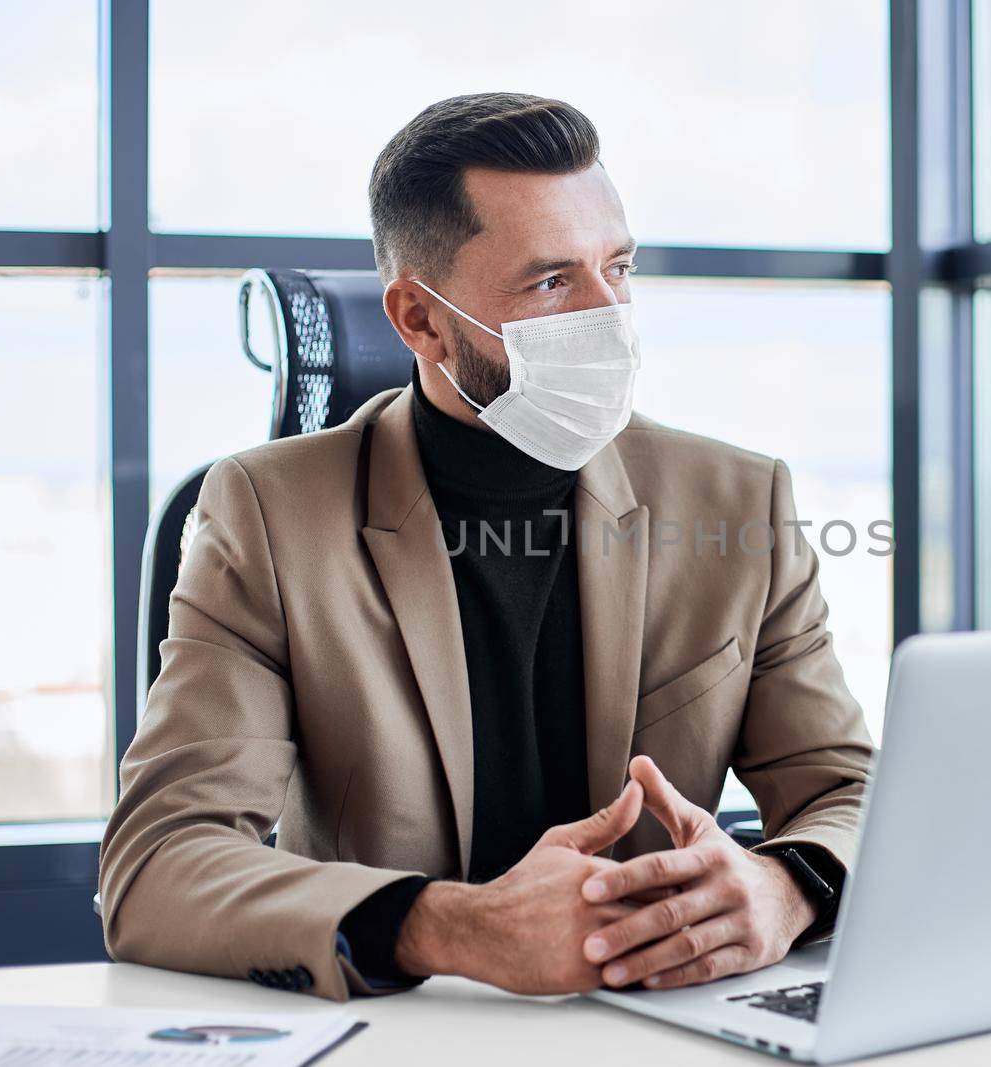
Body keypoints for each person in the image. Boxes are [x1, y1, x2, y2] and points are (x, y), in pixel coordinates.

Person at [99, 92, 874, 1002]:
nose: (608, 315)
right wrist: (451, 926)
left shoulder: (741, 502)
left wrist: (788, 886)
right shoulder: (269, 515)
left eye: (616, 268)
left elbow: (851, 794)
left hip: (665, 1026)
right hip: (408, 1038)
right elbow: (156, 864)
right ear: (419, 321)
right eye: (551, 282)